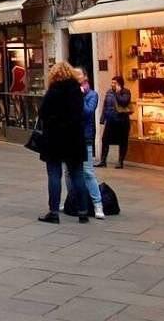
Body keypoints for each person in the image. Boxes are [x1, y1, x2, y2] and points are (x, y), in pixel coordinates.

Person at [35, 62, 90, 224]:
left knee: (54, 175)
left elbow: (42, 113)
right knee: (77, 175)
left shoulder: (53, 90)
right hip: (74, 139)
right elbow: (81, 113)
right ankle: (83, 212)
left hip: (55, 139)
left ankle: (54, 212)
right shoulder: (76, 91)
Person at [74, 69, 105, 220]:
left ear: (85, 76)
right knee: (68, 172)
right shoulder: (70, 93)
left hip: (85, 137)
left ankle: (97, 203)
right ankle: (72, 202)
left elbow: (88, 112)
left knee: (87, 172)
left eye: (78, 74)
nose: (76, 77)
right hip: (70, 136)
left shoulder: (92, 94)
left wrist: (79, 96)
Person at [96, 76, 132, 168]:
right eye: (112, 83)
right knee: (105, 140)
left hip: (122, 121)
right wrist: (102, 118)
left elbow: (123, 102)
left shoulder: (126, 92)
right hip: (110, 120)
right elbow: (105, 105)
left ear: (120, 84)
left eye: (114, 83)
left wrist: (117, 93)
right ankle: (103, 161)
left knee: (122, 141)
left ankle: (120, 161)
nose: (112, 84)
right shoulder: (109, 92)